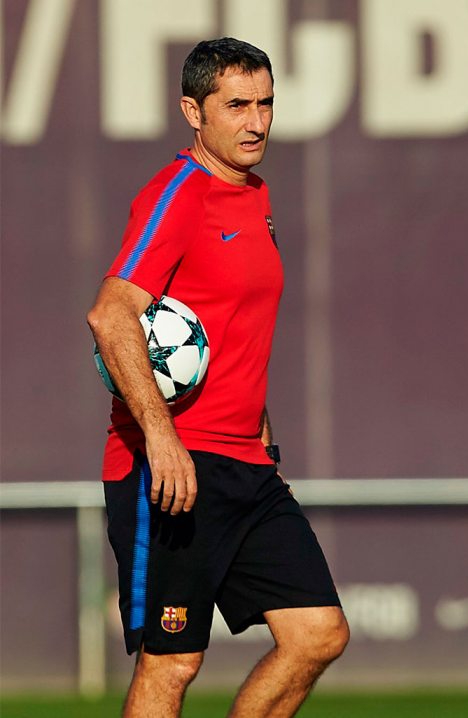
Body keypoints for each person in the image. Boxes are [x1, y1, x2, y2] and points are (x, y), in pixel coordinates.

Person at [87, 37, 349, 718]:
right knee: (172, 662)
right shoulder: (179, 194)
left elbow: (236, 335)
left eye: (265, 103)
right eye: (236, 105)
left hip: (247, 466)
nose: (256, 121)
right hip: (174, 467)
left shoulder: (255, 195)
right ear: (193, 112)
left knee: (317, 634)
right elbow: (111, 315)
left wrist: (265, 443)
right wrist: (161, 438)